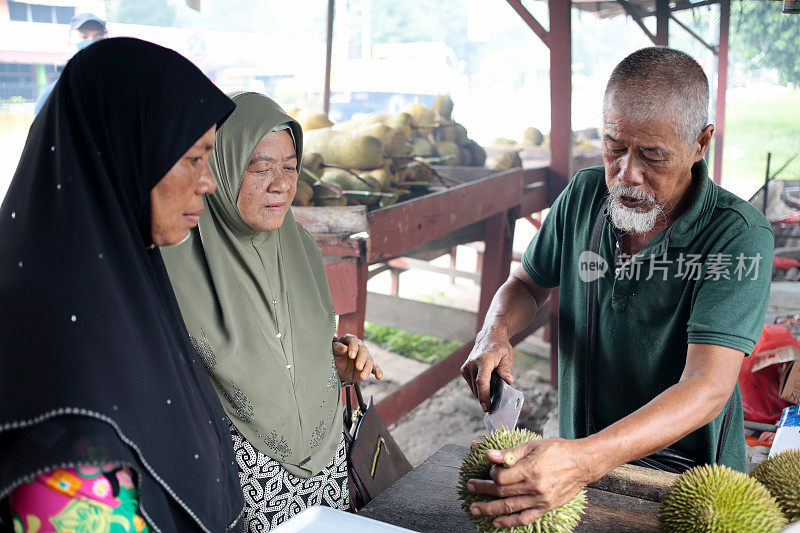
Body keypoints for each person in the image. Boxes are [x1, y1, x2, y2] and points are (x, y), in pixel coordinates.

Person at [461, 46, 773, 529]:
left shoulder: (737, 234)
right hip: (569, 466)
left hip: (687, 487)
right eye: (614, 147)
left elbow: (707, 387)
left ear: (700, 143)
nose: (627, 174)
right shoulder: (584, 196)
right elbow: (526, 282)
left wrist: (585, 459)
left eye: (652, 156)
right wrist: (495, 331)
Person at [0, 38, 244, 532]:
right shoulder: (53, 341)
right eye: (193, 158)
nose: (209, 182)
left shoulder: (122, 282)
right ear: (127, 150)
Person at [161, 91, 383, 531]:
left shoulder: (300, 245)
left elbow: (293, 346)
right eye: (260, 167)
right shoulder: (177, 256)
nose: (281, 183)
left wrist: (334, 363)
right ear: (221, 168)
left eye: (290, 167)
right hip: (241, 480)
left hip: (327, 466)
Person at [34, 13, 108, 116]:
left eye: (98, 36)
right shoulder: (54, 94)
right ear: (69, 41)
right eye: (84, 36)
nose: (91, 41)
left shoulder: (118, 87)